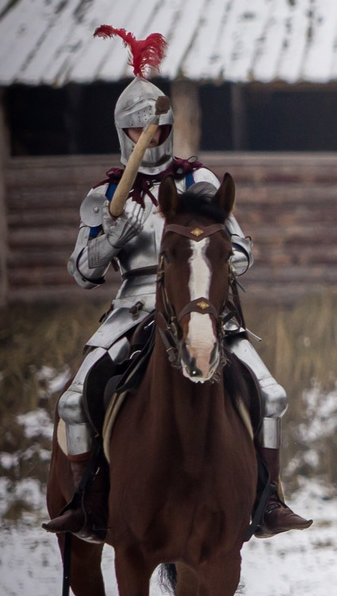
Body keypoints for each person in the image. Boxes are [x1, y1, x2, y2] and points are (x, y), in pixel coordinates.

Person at [46, 32, 311, 541]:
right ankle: (86, 503)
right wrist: (113, 235)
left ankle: (269, 499)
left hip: (202, 304)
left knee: (271, 394)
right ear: (122, 130)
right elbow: (83, 270)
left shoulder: (199, 183)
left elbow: (242, 251)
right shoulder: (105, 195)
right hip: (133, 304)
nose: (149, 134)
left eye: (157, 127)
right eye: (137, 127)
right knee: (74, 402)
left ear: (168, 128)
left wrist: (214, 254)